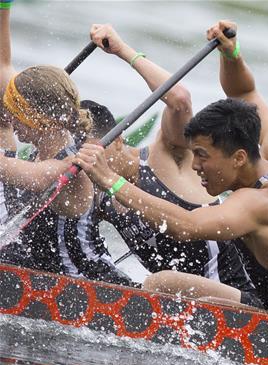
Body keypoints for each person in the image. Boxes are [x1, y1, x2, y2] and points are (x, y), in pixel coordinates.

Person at [74, 20, 268, 321]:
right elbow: (245, 90)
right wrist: (231, 54)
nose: (194, 165)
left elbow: (185, 226)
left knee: (160, 284)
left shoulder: (263, 201)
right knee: (163, 283)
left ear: (239, 158)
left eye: (202, 156)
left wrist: (109, 180)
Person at [80, 24, 251, 292]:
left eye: (92, 154)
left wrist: (124, 51)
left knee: (156, 282)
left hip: (239, 293)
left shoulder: (169, 155)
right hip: (178, 303)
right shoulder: (96, 191)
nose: (88, 166)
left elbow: (179, 99)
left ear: (116, 141)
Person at [0, 4, 95, 272]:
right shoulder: (35, 153)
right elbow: (2, 68)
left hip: (82, 284)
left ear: (41, 117)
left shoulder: (72, 165)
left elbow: (38, 177)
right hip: (34, 274)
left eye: (16, 112)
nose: (10, 118)